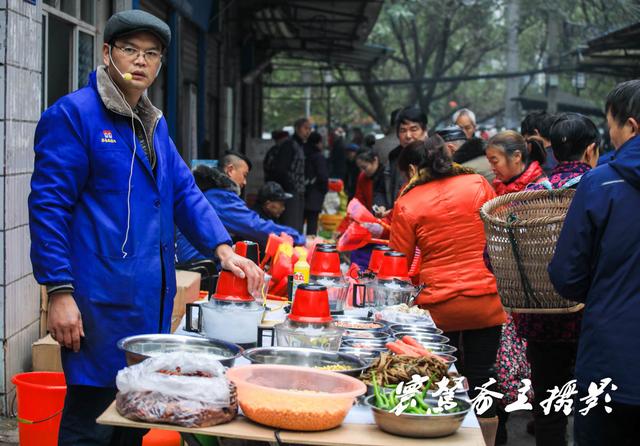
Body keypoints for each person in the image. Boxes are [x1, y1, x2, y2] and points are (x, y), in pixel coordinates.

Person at [28, 10, 263, 446]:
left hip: (147, 302)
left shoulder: (153, 124)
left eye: (151, 54)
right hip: (96, 302)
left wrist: (223, 249)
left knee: (135, 416)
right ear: (106, 53)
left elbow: (184, 192)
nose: (140, 61)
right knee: (91, 418)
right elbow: (48, 207)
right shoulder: (75, 116)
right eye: (129, 50)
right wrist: (59, 291)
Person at [390, 135, 506, 446]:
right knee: (483, 374)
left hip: (439, 306)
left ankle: (443, 438)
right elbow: (498, 231)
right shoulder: (478, 184)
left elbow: (398, 260)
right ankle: (492, 440)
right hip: (486, 298)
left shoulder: (408, 201)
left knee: (440, 377)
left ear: (413, 167)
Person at [549, 80, 640, 446]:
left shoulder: (600, 183)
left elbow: (566, 275)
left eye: (611, 126)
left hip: (611, 362)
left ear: (631, 126)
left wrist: (605, 291)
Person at [518, 113, 599, 446]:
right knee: (593, 403)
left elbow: (491, 255)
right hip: (590, 316)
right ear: (591, 150)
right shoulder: (600, 190)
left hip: (540, 316)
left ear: (551, 148)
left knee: (548, 405)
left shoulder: (532, 192)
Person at [175, 156, 305, 262]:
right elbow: (255, 226)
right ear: (230, 170)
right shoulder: (220, 197)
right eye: (244, 175)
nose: (245, 182)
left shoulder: (211, 193)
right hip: (201, 267)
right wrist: (299, 238)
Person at [264, 118, 310, 232]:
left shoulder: (299, 145)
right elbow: (280, 169)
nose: (308, 132)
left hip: (298, 191)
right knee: (291, 225)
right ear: (297, 129)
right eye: (305, 128)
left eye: (309, 129)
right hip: (290, 192)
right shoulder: (289, 145)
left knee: (297, 225)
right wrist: (290, 187)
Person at [388, 106, 429, 204]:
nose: (408, 136)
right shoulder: (394, 157)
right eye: (403, 130)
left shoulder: (435, 155)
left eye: (414, 129)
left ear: (425, 131)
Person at [486, 130, 547, 195]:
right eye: (490, 162)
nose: (492, 168)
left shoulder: (540, 188)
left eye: (495, 162)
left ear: (517, 156)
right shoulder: (497, 186)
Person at [303, 131, 329, 235]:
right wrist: (323, 191)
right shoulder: (318, 157)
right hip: (315, 194)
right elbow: (323, 176)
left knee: (299, 223)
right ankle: (309, 247)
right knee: (312, 223)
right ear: (318, 143)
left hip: (303, 193)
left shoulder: (302, 153)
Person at [521, 111, 557, 175]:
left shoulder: (537, 165)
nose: (527, 147)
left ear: (535, 134)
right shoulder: (564, 156)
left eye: (527, 141)